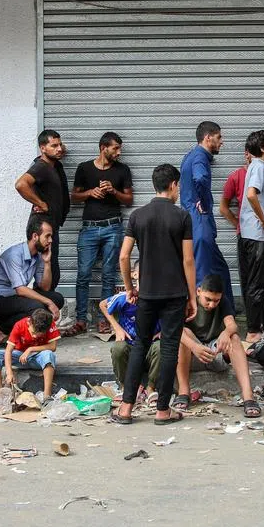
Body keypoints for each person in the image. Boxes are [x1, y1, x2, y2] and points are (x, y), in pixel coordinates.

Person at [112, 164, 196, 425]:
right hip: (175, 294)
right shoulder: (182, 217)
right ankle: (162, 410)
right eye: (178, 186)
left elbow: (124, 256)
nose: (179, 190)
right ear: (173, 185)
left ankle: (126, 408)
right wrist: (192, 297)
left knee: (140, 345)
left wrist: (129, 288)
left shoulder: (138, 216)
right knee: (169, 348)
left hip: (146, 294)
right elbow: (188, 260)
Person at [71, 132, 134, 335]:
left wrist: (113, 191)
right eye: (115, 148)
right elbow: (74, 196)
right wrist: (90, 193)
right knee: (83, 274)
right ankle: (80, 320)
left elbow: (129, 200)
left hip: (113, 227)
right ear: (103, 148)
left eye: (119, 148)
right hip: (89, 227)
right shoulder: (84, 168)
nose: (119, 152)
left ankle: (104, 319)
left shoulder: (122, 170)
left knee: (108, 275)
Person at [176, 275, 262, 418]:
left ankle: (248, 397)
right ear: (198, 291)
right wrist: (194, 347)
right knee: (183, 335)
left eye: (216, 300)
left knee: (234, 338)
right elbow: (174, 330)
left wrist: (226, 333)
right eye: (208, 299)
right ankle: (184, 392)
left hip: (215, 353)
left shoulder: (223, 302)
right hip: (193, 356)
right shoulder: (187, 302)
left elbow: (232, 325)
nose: (211, 305)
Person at [180, 121, 234, 314]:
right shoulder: (200, 157)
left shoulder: (192, 155)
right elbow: (200, 178)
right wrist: (202, 202)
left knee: (220, 268)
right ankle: (201, 317)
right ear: (208, 137)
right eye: (219, 137)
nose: (222, 142)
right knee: (202, 271)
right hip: (199, 220)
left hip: (196, 219)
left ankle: (228, 312)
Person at [0, 215, 65, 336]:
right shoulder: (14, 254)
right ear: (35, 236)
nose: (51, 240)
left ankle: (4, 326)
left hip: (15, 298)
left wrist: (47, 263)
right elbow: (20, 289)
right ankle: (4, 328)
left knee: (57, 299)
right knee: (38, 306)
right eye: (47, 236)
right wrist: (48, 302)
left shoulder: (38, 255)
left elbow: (45, 288)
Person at [15, 129, 68, 304]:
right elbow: (21, 184)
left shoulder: (53, 164)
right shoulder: (41, 167)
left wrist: (59, 148)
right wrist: (41, 203)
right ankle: (39, 312)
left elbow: (59, 150)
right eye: (54, 146)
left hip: (51, 225)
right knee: (44, 273)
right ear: (42, 148)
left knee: (51, 271)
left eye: (60, 145)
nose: (59, 149)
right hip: (42, 226)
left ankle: (42, 312)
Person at [238, 129, 264, 341]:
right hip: (256, 236)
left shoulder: (259, 166)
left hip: (254, 235)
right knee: (256, 283)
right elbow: (251, 194)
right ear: (263, 148)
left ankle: (259, 327)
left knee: (257, 281)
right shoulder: (259, 167)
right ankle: (253, 331)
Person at [101, 262, 162, 395]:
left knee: (161, 347)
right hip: (130, 348)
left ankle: (151, 388)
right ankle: (126, 387)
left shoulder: (159, 298)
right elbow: (103, 305)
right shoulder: (124, 297)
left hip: (150, 348)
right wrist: (117, 328)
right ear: (134, 275)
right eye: (143, 273)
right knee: (118, 349)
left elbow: (173, 313)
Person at [0, 308, 60, 402]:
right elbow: (8, 350)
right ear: (29, 323)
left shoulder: (49, 324)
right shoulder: (19, 325)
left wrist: (30, 349)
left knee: (49, 354)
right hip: (19, 357)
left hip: (38, 358)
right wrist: (9, 373)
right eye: (33, 332)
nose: (35, 336)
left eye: (39, 334)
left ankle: (47, 396)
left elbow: (53, 347)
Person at [221, 148, 264, 244]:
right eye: (255, 153)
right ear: (247, 154)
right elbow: (223, 208)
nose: (258, 157)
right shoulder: (236, 176)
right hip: (247, 235)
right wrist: (241, 226)